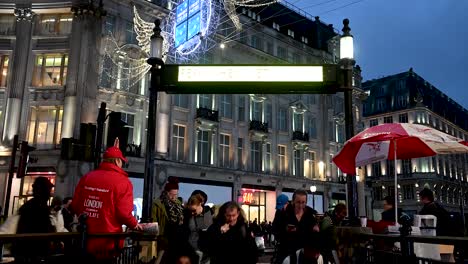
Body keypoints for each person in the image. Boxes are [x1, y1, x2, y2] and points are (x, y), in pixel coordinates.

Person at [72, 145, 142, 262]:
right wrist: (134, 224)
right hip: (108, 243)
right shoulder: (123, 182)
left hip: (85, 240)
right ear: (117, 161)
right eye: (121, 162)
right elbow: (123, 213)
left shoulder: (87, 177)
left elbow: (75, 205)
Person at [14, 177, 56, 262]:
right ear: (43, 191)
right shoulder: (39, 207)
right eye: (49, 190)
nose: (50, 193)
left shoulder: (31, 205)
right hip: (33, 251)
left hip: (28, 251)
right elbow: (41, 228)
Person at [273, 190, 319, 264]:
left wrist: (315, 230)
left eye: (303, 202)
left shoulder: (310, 214)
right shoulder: (283, 212)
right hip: (286, 252)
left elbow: (314, 236)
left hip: (304, 254)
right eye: (298, 202)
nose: (300, 205)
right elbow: (275, 230)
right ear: (293, 201)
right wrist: (285, 229)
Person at [152, 176, 184, 263]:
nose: (174, 197)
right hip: (163, 238)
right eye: (172, 194)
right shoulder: (157, 204)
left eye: (176, 195)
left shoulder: (179, 204)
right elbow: (154, 221)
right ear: (166, 192)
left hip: (177, 238)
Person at [181, 194, 213, 264]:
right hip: (191, 252)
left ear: (200, 204)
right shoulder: (187, 216)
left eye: (194, 210)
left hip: (205, 254)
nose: (192, 213)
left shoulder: (209, 214)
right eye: (190, 211)